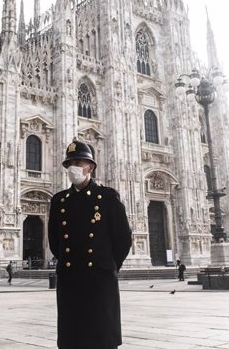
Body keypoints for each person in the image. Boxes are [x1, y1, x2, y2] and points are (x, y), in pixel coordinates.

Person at [48, 139, 133, 349]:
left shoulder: (107, 198)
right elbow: (54, 241)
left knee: (101, 338)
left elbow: (123, 238)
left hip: (100, 280)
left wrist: (108, 267)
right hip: (70, 280)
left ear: (91, 167)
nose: (73, 168)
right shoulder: (59, 201)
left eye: (79, 162)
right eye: (70, 164)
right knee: (72, 338)